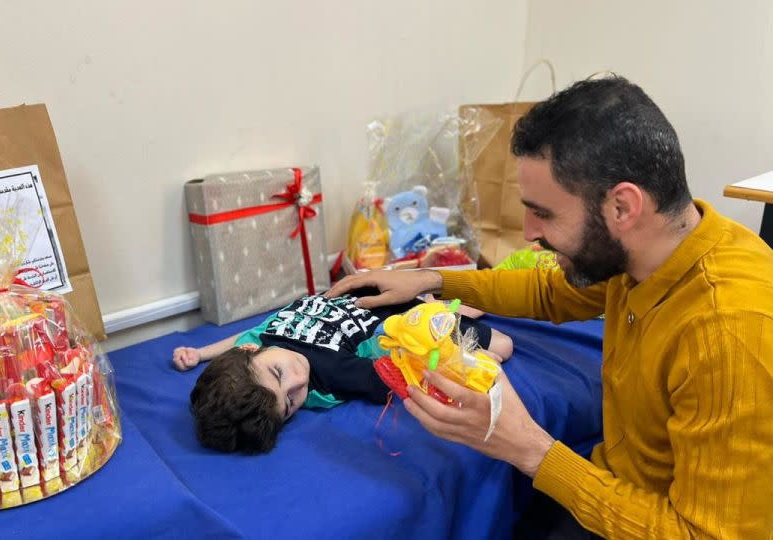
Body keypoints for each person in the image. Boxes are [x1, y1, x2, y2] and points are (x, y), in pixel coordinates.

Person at [326, 76, 773, 538]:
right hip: (611, 489)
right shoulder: (652, 252)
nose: (527, 232)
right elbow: (550, 291)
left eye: (544, 212)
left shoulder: (729, 333)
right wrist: (432, 279)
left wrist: (531, 449)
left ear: (622, 207)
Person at [173, 289, 513, 453]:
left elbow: (238, 342)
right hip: (396, 320)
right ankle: (434, 305)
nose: (298, 380)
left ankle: (432, 295)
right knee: (503, 347)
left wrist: (201, 352)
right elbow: (398, 377)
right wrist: (461, 365)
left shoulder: (258, 337)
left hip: (360, 292)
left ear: (251, 350)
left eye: (278, 374)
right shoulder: (330, 378)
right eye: (290, 402)